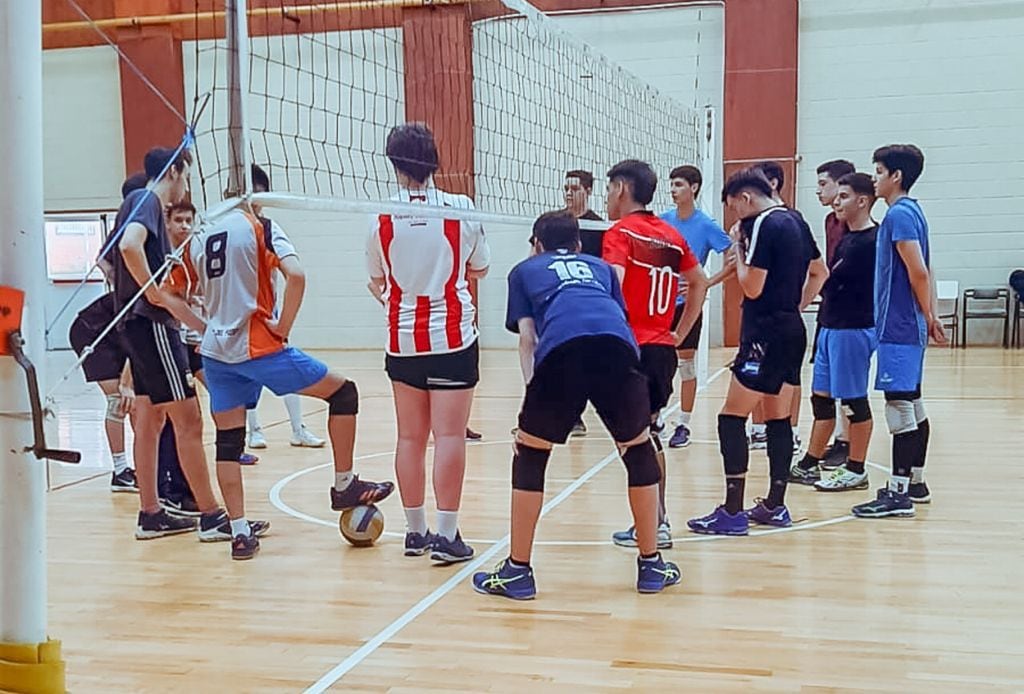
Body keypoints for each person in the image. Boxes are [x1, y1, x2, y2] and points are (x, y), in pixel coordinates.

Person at [166, 200, 394, 559]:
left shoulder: (199, 235)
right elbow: (297, 276)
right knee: (344, 394)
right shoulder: (261, 226)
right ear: (255, 198)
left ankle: (240, 533)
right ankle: (344, 485)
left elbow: (168, 293)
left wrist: (204, 327)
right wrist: (283, 327)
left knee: (228, 441)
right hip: (259, 347)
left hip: (216, 354)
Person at [472, 211, 680, 599]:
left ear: (536, 244)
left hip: (563, 351)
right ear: (580, 245)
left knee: (531, 453)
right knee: (638, 450)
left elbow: (528, 339)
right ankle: (651, 565)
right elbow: (616, 317)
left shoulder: (525, 269)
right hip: (617, 348)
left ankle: (518, 570)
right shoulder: (600, 267)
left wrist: (533, 399)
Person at [366, 123, 490, 563]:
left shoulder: (380, 214)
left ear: (394, 163)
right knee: (450, 435)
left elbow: (376, 280)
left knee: (409, 438)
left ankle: (415, 532)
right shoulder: (461, 209)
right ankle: (447, 535)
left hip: (402, 341)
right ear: (434, 160)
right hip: (453, 337)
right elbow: (481, 269)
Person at [688, 168, 827, 535]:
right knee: (777, 418)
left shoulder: (765, 224)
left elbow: (751, 287)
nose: (737, 218)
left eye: (735, 209)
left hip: (764, 334)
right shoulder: (795, 219)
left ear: (746, 199)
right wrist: (794, 307)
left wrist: (736, 246)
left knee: (731, 418)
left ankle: (732, 513)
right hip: (791, 331)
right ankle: (775, 505)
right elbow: (820, 272)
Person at [112, 146, 230, 540]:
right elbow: (128, 246)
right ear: (175, 171)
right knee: (189, 419)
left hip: (138, 326)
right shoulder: (147, 199)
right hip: (152, 326)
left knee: (151, 419)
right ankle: (213, 516)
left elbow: (109, 259)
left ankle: (151, 513)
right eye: (186, 177)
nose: (186, 187)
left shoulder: (136, 202)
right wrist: (153, 292)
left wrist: (193, 319)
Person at [601, 160, 708, 550]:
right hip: (662, 350)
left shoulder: (620, 233)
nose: (608, 196)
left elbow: (612, 286)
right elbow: (699, 283)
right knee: (648, 436)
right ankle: (656, 521)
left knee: (634, 443)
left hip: (630, 349)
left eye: (610, 188)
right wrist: (677, 332)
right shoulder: (671, 235)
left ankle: (654, 526)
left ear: (622, 189)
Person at [852, 144, 945, 518]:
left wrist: (926, 313)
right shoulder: (912, 212)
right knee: (912, 403)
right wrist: (931, 315)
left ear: (896, 177)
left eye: (877, 172)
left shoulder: (899, 216)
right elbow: (926, 271)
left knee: (899, 408)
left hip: (899, 327)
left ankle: (898, 492)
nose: (873, 179)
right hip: (909, 325)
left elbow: (918, 270)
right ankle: (916, 483)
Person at [791, 172, 878, 491]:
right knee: (821, 400)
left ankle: (856, 470)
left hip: (853, 329)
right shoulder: (846, 238)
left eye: (843, 197)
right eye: (836, 196)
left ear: (862, 200)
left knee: (854, 402)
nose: (836, 202)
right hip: (829, 326)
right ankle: (809, 464)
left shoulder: (874, 241)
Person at [67, 172, 147, 493]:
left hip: (118, 330)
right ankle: (119, 472)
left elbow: (103, 260)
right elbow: (102, 260)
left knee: (138, 403)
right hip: (93, 331)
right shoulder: (127, 233)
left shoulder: (140, 236)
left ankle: (139, 469)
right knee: (119, 400)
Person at [242, 165, 326, 451]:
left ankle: (297, 428)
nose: (259, 201)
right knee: (246, 376)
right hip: (237, 321)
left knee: (286, 370)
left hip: (268, 316)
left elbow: (294, 273)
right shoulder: (226, 227)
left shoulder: (268, 229)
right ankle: (253, 431)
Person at [659, 165, 735, 448]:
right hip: (660, 304)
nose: (673, 189)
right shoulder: (663, 221)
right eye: (672, 184)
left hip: (687, 305)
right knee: (658, 362)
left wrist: (706, 282)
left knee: (686, 366)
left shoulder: (706, 225)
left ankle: (683, 424)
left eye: (679, 184)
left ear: (694, 187)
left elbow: (733, 257)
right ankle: (656, 417)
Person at [752, 160, 811, 454]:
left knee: (773, 376)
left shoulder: (775, 222)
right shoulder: (788, 220)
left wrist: (794, 304)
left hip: (769, 320)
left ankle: (787, 431)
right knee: (783, 375)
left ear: (772, 183)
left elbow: (752, 284)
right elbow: (820, 270)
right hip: (784, 319)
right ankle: (770, 431)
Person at [813, 159, 857, 468]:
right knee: (825, 382)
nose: (819, 191)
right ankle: (837, 438)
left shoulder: (857, 228)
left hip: (851, 317)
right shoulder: (830, 221)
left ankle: (847, 441)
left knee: (848, 385)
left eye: (823, 184)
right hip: (829, 310)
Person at [562, 168, 605, 436]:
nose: (568, 193)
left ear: (588, 191)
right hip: (560, 303)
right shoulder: (554, 222)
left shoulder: (598, 225)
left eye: (574, 189)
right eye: (566, 188)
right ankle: (571, 416)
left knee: (589, 362)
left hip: (589, 304)